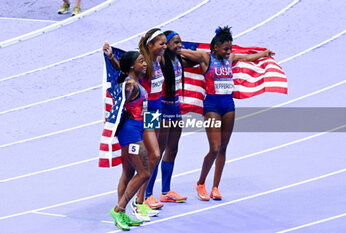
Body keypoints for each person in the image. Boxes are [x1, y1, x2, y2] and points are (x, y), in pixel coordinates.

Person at [180, 26, 274, 201]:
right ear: (215, 47)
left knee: (223, 148)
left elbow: (248, 57)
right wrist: (172, 48)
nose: (229, 52)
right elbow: (182, 52)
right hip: (212, 107)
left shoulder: (230, 58)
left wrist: (264, 54)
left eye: (230, 48)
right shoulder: (205, 58)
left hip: (228, 106)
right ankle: (201, 183)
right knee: (214, 148)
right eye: (225, 49)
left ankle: (215, 187)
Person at [103, 28, 167, 221]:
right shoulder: (143, 63)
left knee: (142, 164)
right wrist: (112, 58)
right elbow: (125, 72)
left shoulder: (159, 61)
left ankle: (134, 205)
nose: (164, 46)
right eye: (161, 44)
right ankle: (133, 205)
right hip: (139, 119)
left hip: (152, 112)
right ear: (151, 45)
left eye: (165, 43)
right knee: (146, 161)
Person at [107, 51, 151, 231]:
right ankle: (119, 209)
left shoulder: (137, 83)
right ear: (132, 66)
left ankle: (122, 214)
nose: (145, 64)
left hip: (137, 131)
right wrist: (111, 59)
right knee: (144, 173)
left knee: (127, 173)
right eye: (141, 61)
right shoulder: (131, 84)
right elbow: (124, 89)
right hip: (131, 133)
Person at [144, 30, 188, 207]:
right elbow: (148, 54)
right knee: (156, 152)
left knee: (173, 149)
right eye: (175, 43)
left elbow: (201, 55)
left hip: (175, 106)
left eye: (180, 42)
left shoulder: (179, 60)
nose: (179, 45)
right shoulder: (160, 60)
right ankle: (147, 194)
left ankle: (165, 192)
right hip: (161, 107)